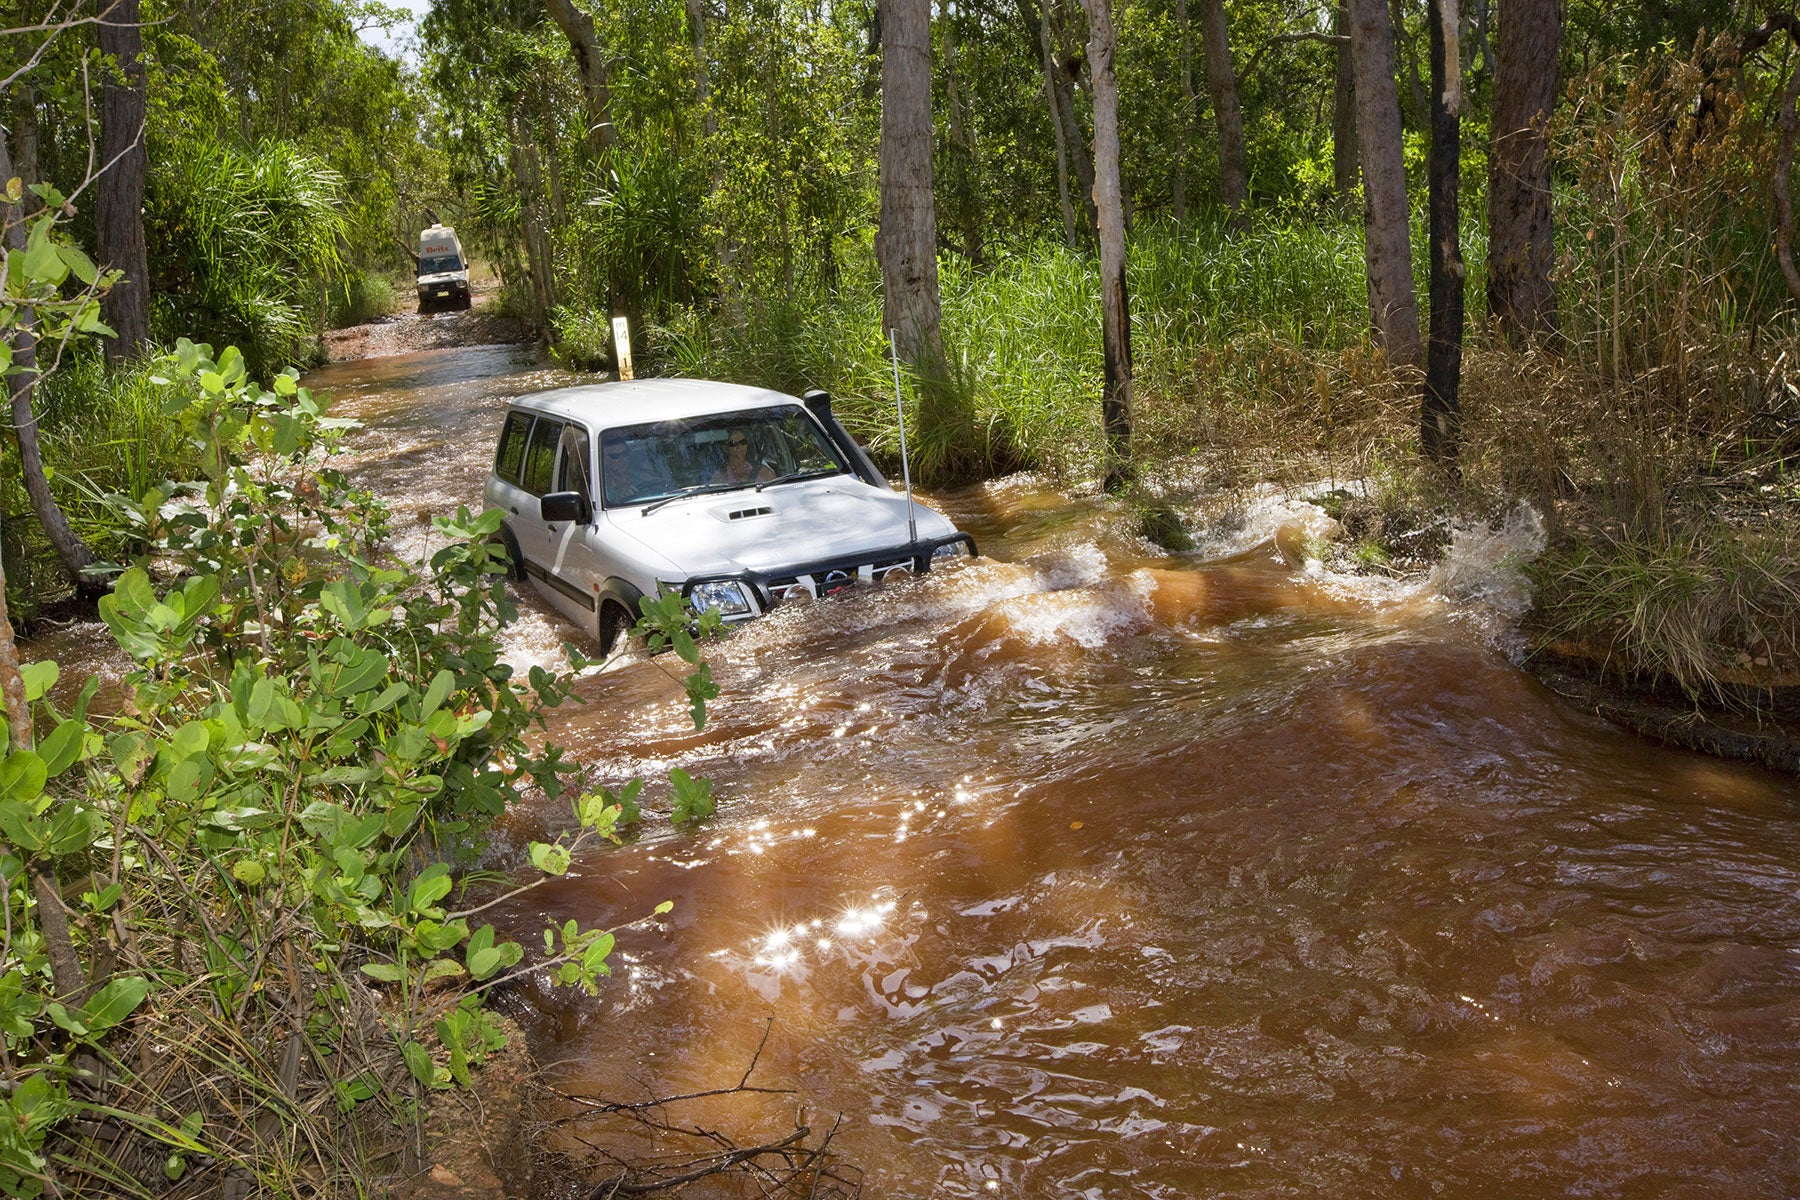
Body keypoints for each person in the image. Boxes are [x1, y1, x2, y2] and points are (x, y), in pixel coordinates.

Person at [603, 437, 666, 504]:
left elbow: (661, 491)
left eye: (625, 454)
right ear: (605, 459)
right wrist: (618, 496)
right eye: (615, 456)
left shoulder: (642, 474)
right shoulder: (601, 483)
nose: (623, 460)